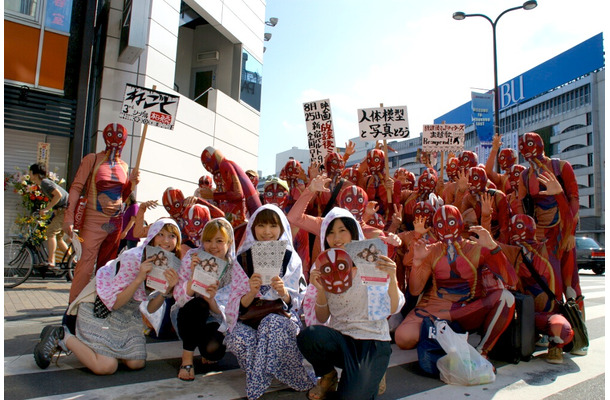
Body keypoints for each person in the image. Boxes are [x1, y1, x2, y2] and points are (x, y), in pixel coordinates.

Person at [33, 218, 181, 374]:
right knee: (106, 367)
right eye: (160, 234)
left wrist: (166, 290)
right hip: (101, 309)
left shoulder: (171, 264)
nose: (166, 240)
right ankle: (63, 335)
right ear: (152, 236)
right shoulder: (134, 258)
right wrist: (139, 278)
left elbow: (151, 309)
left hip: (128, 317)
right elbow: (115, 304)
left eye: (172, 236)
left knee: (136, 363)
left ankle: (108, 349)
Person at [298, 207, 405, 400]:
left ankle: (373, 372)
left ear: (353, 232)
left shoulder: (372, 261)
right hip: (342, 339)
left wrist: (392, 277)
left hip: (372, 341)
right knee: (309, 336)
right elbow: (322, 318)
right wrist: (321, 289)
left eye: (342, 230)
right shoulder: (326, 266)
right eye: (330, 232)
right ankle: (329, 377)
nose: (336, 238)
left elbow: (391, 308)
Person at [394, 205, 517, 360]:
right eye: (440, 224)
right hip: (435, 308)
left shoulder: (476, 248)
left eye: (451, 223)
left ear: (459, 222)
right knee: (403, 337)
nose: (446, 229)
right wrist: (417, 262)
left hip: (467, 309)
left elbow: (511, 280)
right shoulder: (431, 250)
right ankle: (444, 336)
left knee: (506, 298)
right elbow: (415, 290)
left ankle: (482, 351)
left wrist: (493, 247)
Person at [223, 204, 314, 400]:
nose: (266, 232)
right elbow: (234, 303)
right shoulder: (242, 259)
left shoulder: (291, 258)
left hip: (280, 317)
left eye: (273, 226)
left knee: (271, 324)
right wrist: (251, 291)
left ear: (281, 229)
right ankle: (271, 370)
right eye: (261, 225)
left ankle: (260, 380)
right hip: (251, 317)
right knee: (237, 336)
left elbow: (297, 301)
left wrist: (284, 292)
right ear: (252, 228)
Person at [63, 123, 139, 306]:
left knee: (107, 268)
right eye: (111, 134)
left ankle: (99, 307)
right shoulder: (92, 159)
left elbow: (123, 197)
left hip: (114, 223)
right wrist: (69, 217)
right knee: (85, 266)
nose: (115, 139)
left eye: (120, 136)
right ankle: (73, 310)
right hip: (92, 221)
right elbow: (76, 187)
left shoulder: (124, 165)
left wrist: (131, 183)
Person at [173, 218, 236, 380]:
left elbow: (229, 312)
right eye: (208, 240)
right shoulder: (192, 258)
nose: (213, 246)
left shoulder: (234, 268)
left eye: (219, 240)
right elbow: (180, 300)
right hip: (188, 315)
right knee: (199, 305)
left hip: (215, 319)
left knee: (213, 352)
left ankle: (201, 344)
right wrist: (194, 278)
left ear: (229, 243)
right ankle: (186, 360)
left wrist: (211, 300)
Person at [28, 162, 69, 269]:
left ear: (35, 173)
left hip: (65, 210)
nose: (29, 175)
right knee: (59, 238)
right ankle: (73, 262)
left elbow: (58, 195)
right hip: (63, 210)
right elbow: (56, 197)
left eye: (30, 173)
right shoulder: (44, 183)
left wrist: (46, 209)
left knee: (51, 232)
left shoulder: (45, 183)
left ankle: (51, 261)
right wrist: (54, 210)